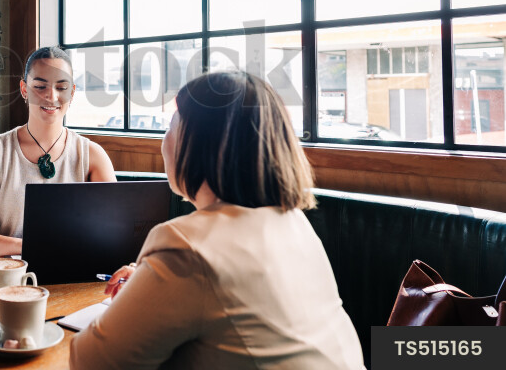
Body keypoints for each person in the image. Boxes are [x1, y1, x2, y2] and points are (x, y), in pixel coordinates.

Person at [70, 71, 364, 370]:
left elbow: (91, 361)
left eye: (171, 125)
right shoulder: (293, 222)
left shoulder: (185, 245)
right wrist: (151, 284)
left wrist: (133, 298)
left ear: (197, 144)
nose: (164, 139)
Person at [0, 46, 116, 258]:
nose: (51, 96)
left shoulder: (92, 155)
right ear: (24, 89)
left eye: (62, 87)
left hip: (72, 275)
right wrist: (31, 246)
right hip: (11, 276)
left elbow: (115, 231)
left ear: (72, 92)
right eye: (40, 86)